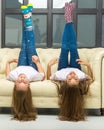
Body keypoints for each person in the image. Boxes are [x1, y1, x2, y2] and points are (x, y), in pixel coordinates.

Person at [47, 2, 94, 121]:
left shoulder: (60, 77)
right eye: (75, 79)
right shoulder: (79, 75)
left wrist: (49, 65)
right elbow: (91, 79)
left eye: (69, 79)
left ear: (65, 82)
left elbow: (48, 78)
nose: (72, 75)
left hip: (62, 67)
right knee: (72, 47)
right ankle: (69, 19)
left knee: (64, 47)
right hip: (76, 66)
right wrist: (88, 66)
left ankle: (68, 18)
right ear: (79, 81)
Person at [6, 4, 45, 121]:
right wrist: (37, 63)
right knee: (30, 44)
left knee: (23, 42)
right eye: (24, 82)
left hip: (22, 62)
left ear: (15, 84)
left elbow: (7, 75)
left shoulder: (12, 77)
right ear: (29, 84)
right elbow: (42, 75)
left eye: (19, 82)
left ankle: (27, 15)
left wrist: (9, 62)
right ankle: (27, 16)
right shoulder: (34, 77)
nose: (22, 79)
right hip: (32, 63)